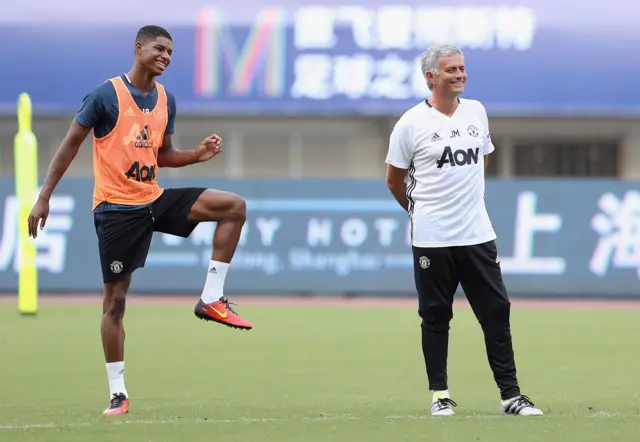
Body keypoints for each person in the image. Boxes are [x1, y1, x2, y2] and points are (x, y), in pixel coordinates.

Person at [27, 25, 253, 417]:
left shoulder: (166, 100)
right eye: (159, 49)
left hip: (154, 199)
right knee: (115, 303)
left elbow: (161, 156)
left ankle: (211, 298)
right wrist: (43, 196)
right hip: (116, 209)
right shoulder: (105, 96)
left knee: (233, 206)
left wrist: (196, 156)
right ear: (139, 48)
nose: (165, 56)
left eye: (170, 52)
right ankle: (118, 393)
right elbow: (70, 144)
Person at [384, 44, 543, 417]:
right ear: (431, 77)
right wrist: (420, 212)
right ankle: (440, 396)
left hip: (477, 235)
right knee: (436, 315)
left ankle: (511, 396)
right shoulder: (410, 123)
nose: (460, 74)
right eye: (451, 69)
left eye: (462, 68)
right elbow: (394, 180)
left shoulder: (477, 112)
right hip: (432, 238)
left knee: (496, 311)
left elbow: (481, 158)